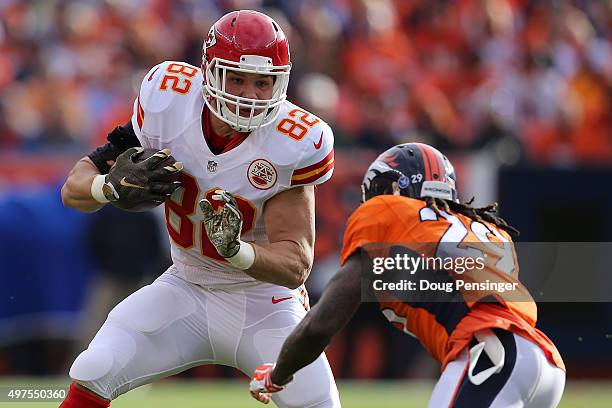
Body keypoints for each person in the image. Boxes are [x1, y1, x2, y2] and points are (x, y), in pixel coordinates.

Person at [59, 10, 340, 408]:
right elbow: (73, 191)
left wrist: (235, 250)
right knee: (95, 369)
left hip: (264, 303)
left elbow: (296, 263)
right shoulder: (168, 98)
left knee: (317, 404)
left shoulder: (293, 141)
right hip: (185, 285)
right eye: (237, 78)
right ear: (208, 72)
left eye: (263, 83)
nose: (249, 95)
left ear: (281, 82)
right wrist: (108, 188)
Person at [249, 143, 566, 407]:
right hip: (542, 361)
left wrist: (280, 373)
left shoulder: (387, 212)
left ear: (392, 189)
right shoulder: (485, 228)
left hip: (491, 355)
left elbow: (324, 321)